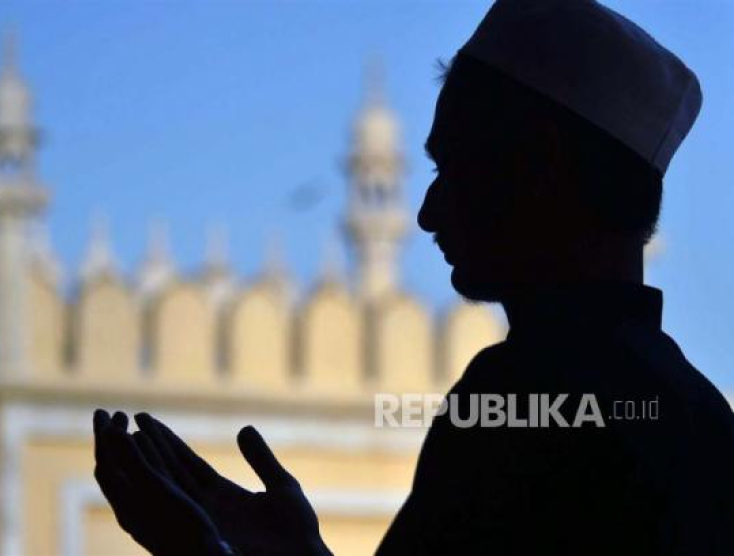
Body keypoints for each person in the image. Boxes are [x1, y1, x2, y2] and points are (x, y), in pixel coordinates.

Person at [93, 1, 734, 554]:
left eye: (453, 167)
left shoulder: (525, 397)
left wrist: (196, 547)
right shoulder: (702, 417)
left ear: (540, 171)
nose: (427, 212)